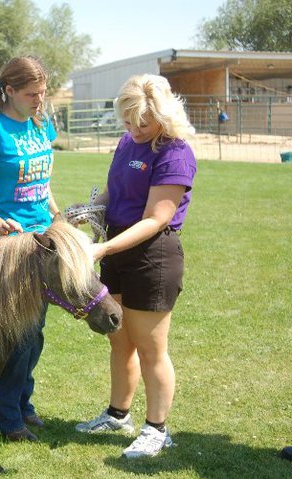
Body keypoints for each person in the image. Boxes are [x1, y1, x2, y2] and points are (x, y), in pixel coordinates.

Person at [74, 74, 197, 458]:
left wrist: (100, 250)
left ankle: (157, 430)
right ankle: (117, 414)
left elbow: (155, 219)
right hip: (117, 250)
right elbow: (113, 190)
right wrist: (89, 211)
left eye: (142, 123)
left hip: (152, 256)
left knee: (150, 348)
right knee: (119, 339)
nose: (134, 130)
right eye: (127, 122)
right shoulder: (127, 141)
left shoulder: (175, 152)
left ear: (163, 114)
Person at [0, 56, 62, 442]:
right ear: (9, 91)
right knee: (19, 334)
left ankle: (22, 401)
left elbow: (42, 180)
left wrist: (57, 212)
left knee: (35, 332)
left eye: (42, 92)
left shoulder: (41, 124)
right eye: (31, 93)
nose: (39, 100)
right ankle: (7, 416)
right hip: (8, 247)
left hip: (45, 241)